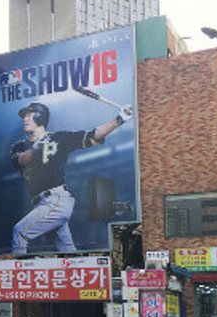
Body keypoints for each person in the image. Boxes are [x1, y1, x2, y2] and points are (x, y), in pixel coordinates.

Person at [9, 101, 133, 255]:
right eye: (24, 116)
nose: (25, 119)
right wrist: (38, 147)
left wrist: (118, 120)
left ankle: (23, 275)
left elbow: (92, 136)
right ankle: (82, 271)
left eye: (29, 115)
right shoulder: (19, 145)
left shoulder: (59, 138)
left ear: (40, 117)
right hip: (41, 204)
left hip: (56, 200)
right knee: (68, 253)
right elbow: (21, 160)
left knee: (20, 232)